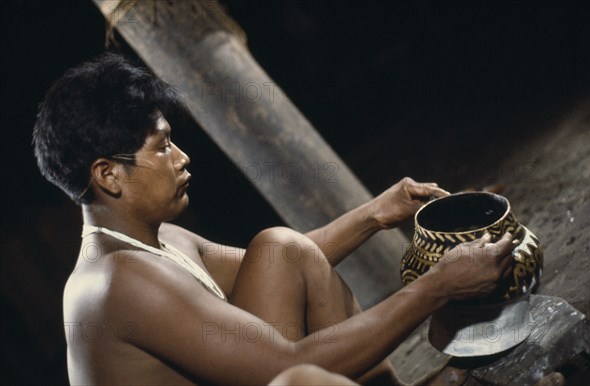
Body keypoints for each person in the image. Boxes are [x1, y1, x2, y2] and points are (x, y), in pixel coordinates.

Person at [33, 52, 516, 385]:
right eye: (162, 147)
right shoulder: (117, 282)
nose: (181, 158)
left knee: (280, 247)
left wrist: (374, 214)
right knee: (301, 379)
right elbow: (290, 366)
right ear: (109, 175)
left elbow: (289, 262)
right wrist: (438, 287)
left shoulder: (148, 241)